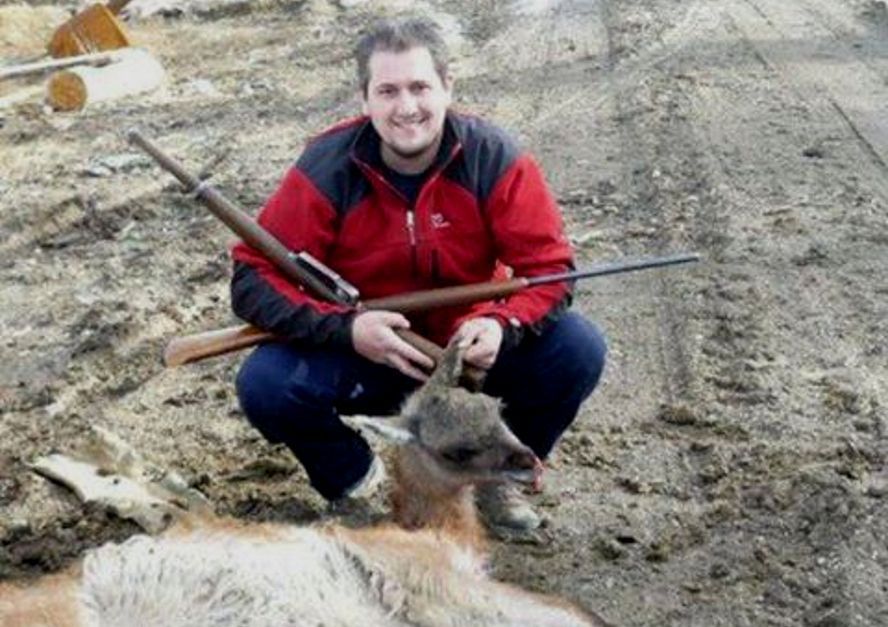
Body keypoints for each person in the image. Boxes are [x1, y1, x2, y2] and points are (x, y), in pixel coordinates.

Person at [231, 16, 606, 530]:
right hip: (368, 355)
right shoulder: (323, 167)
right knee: (268, 384)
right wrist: (348, 330)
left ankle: (495, 482)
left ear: (448, 87)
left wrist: (501, 323)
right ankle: (358, 487)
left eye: (419, 87)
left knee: (578, 349)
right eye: (387, 91)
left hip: (469, 358)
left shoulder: (497, 158)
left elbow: (550, 271)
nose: (406, 108)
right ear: (365, 99)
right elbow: (251, 277)